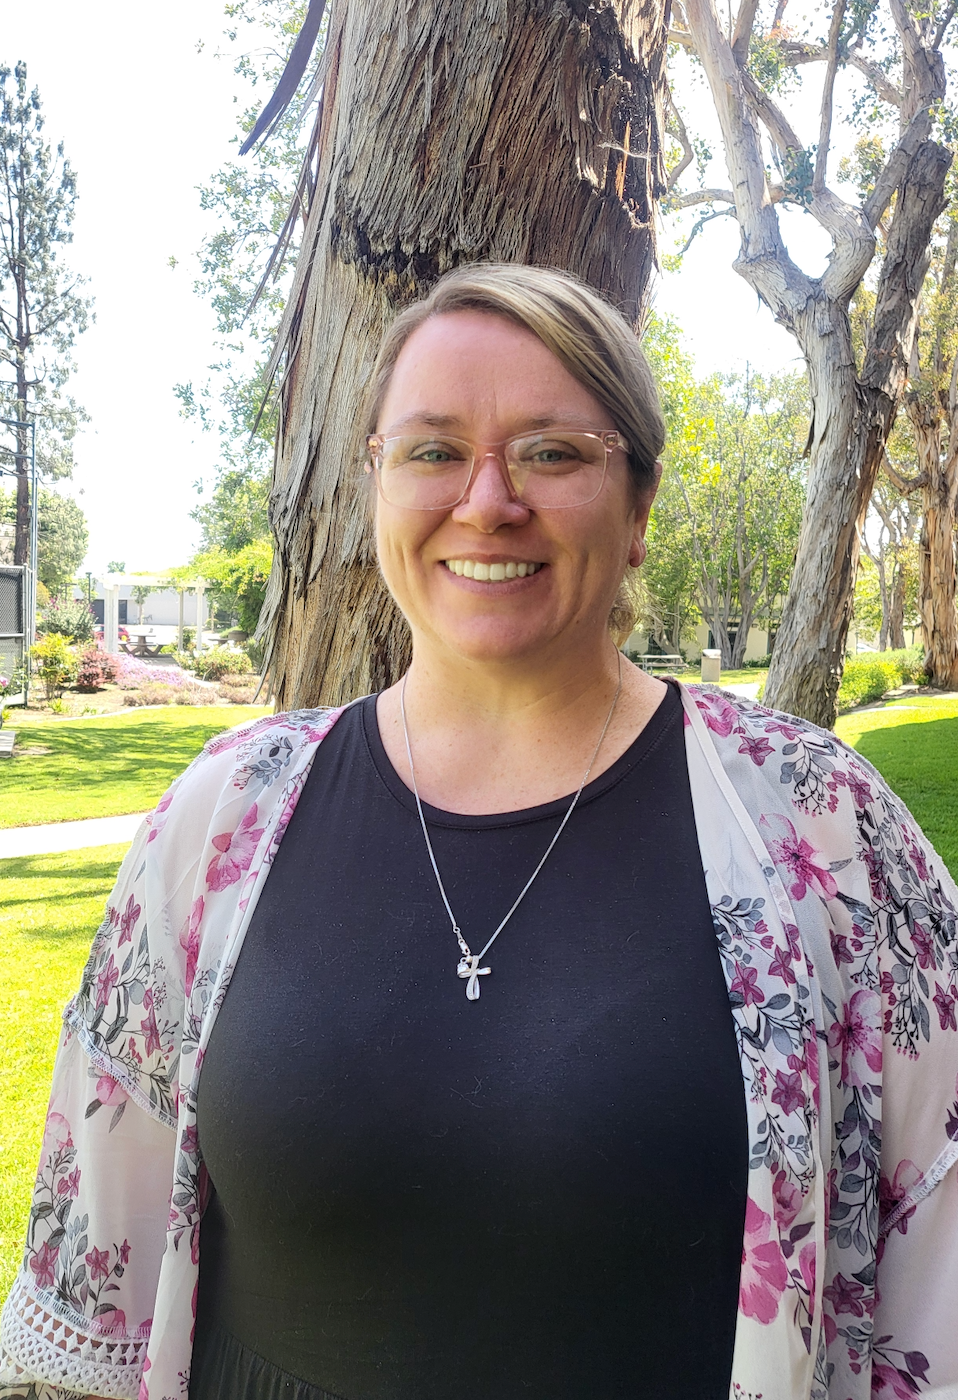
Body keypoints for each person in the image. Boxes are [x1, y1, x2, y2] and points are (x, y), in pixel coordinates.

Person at [2, 264, 957, 1400]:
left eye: (551, 451)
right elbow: (88, 1290)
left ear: (640, 503)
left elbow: (930, 1251)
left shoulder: (822, 826)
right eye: (432, 449)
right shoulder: (224, 815)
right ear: (374, 487)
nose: (487, 499)